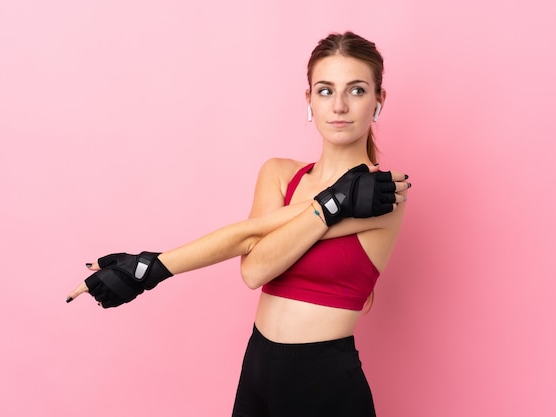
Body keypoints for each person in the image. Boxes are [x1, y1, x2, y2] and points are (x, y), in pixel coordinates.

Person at [67, 31, 409, 417]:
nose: (341, 105)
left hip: (325, 382)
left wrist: (148, 269)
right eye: (326, 90)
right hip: (257, 370)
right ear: (309, 100)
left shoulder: (383, 195)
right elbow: (252, 259)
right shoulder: (279, 174)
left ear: (379, 101)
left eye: (358, 90)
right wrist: (331, 204)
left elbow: (258, 268)